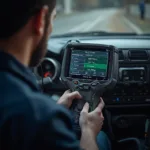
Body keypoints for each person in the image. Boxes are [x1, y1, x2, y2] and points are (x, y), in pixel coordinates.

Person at [0, 0, 111, 150]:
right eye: (53, 19)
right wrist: (88, 131)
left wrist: (54, 108)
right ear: (40, 19)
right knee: (101, 137)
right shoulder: (38, 116)